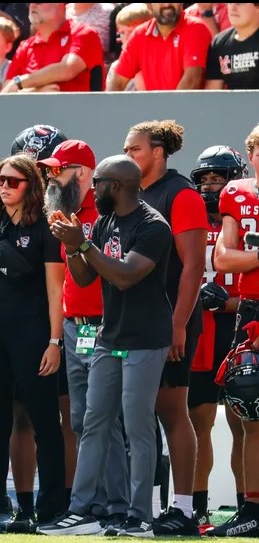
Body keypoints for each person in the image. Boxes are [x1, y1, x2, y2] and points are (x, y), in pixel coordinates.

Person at [39, 155, 173, 538]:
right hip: (109, 336)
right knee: (93, 421)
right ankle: (82, 510)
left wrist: (83, 243)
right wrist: (71, 245)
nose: (91, 190)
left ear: (116, 186)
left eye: (96, 183)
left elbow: (126, 276)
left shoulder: (153, 226)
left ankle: (139, 516)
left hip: (145, 340)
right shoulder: (103, 222)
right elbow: (83, 279)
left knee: (137, 425)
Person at [0, 153, 66, 534]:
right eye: (1, 180)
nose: (5, 187)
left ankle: (50, 511)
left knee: (44, 422)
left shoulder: (47, 230)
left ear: (31, 186)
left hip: (33, 332)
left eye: (14, 181)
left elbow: (56, 289)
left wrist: (55, 341)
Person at [38, 140, 130, 533]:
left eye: (57, 171)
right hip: (76, 327)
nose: (51, 178)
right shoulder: (62, 215)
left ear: (82, 173)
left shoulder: (107, 212)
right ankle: (98, 506)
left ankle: (111, 506)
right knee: (80, 419)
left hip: (107, 325)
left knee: (103, 419)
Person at [123, 119, 207, 535]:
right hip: (137, 322)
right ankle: (150, 506)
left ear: (158, 151)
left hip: (171, 320)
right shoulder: (133, 195)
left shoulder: (182, 194)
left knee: (173, 411)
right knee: (141, 414)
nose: (128, 156)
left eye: (134, 149)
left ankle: (185, 509)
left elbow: (193, 267)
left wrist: (178, 325)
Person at [187, 145, 248, 529]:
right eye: (205, 179)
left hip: (238, 323)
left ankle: (247, 506)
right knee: (199, 420)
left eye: (218, 178)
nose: (211, 186)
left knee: (243, 421)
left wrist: (231, 302)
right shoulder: (188, 220)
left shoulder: (246, 220)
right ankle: (196, 508)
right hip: (199, 330)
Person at [210, 123, 259, 537]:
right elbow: (224, 260)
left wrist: (250, 257)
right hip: (252, 308)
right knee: (247, 410)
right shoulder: (237, 192)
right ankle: (251, 507)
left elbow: (236, 256)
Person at [1, 3, 104, 93]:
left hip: (78, 114)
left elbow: (67, 70)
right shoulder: (25, 47)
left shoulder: (84, 33)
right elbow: (6, 94)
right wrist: (35, 92)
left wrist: (20, 82)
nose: (32, 5)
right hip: (33, 115)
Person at [108, 3, 211, 91]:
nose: (167, 4)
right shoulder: (139, 35)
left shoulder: (195, 28)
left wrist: (166, 114)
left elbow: (192, 81)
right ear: (149, 6)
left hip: (187, 112)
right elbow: (117, 83)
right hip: (153, 112)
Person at [204, 2, 259, 90]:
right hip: (232, 103)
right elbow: (213, 95)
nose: (232, 7)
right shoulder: (219, 44)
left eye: (240, 3)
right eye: (230, 3)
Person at [106, 3, 152, 92]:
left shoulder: (158, 62)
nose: (127, 37)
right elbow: (110, 101)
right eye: (122, 32)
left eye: (132, 31)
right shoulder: (115, 67)